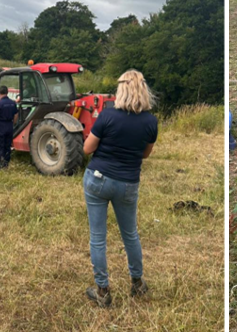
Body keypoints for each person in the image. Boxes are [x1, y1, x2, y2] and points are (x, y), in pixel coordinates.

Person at [82, 69, 158, 307]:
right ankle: (137, 283)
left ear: (121, 89)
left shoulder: (107, 116)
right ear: (144, 90)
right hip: (128, 183)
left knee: (98, 238)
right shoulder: (150, 121)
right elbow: (145, 154)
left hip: (97, 178)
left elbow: (87, 148)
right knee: (130, 235)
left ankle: (103, 291)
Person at [0, 86, 18, 170]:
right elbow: (16, 115)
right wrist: (13, 123)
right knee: (7, 145)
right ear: (7, 92)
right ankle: (6, 164)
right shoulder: (13, 103)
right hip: (9, 125)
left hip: (1, 126)